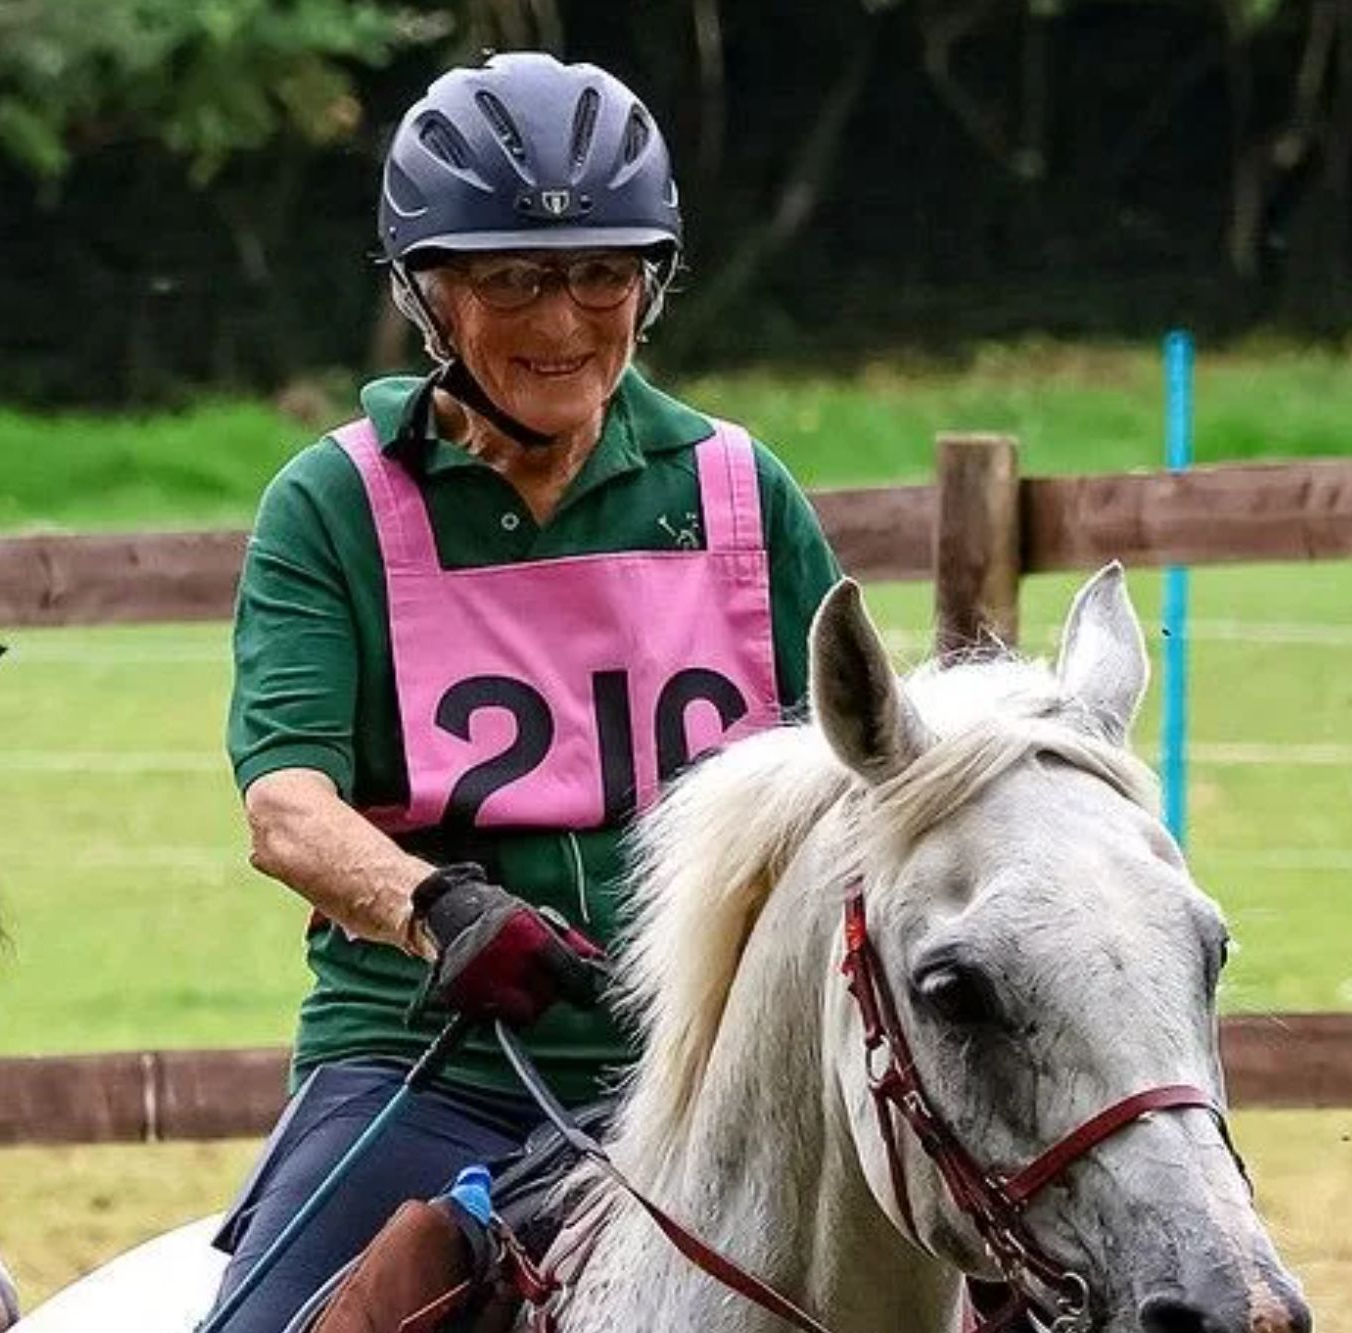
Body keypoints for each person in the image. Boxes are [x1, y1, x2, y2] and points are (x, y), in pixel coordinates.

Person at [211, 50, 844, 1333]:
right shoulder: (332, 504)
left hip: (725, 1070)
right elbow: (286, 806)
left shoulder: (738, 491)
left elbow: (852, 773)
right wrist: (439, 907)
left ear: (648, 285)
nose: (562, 324)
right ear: (427, 295)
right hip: (426, 1060)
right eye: (511, 279)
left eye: (601, 273)